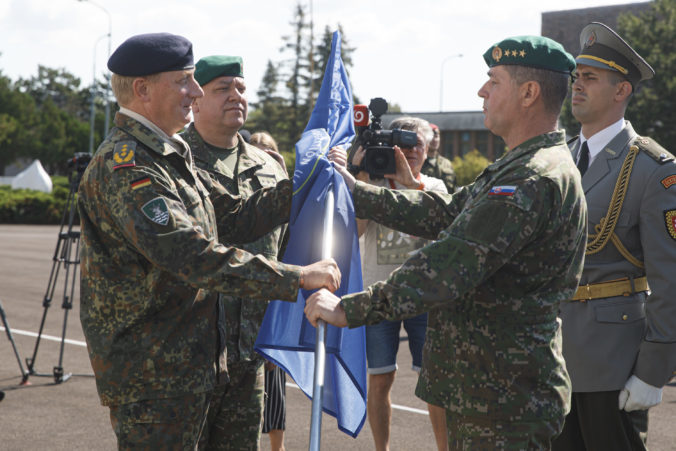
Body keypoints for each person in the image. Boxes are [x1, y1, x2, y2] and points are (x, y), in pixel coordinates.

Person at [309, 35, 586, 449]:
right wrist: (357, 190)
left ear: (529, 93)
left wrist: (349, 308)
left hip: (504, 398)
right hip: (491, 387)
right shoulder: (517, 166)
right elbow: (443, 211)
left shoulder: (531, 177)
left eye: (493, 81)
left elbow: (446, 267)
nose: (481, 91)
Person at [77, 34, 340, 449]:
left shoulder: (165, 155)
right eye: (184, 81)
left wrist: (308, 183)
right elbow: (190, 255)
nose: (195, 91)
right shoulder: (126, 165)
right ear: (143, 89)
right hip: (157, 374)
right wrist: (296, 277)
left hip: (197, 364)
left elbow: (234, 217)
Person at [552, 22, 676, 451]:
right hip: (555, 357)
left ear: (622, 90)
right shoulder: (560, 160)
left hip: (613, 362)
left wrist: (653, 370)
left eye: (590, 78)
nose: (577, 87)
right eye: (575, 78)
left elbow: (670, 277)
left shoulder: (652, 169)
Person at [179, 55, 291, 450]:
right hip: (188, 358)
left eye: (241, 88)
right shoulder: (174, 162)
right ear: (194, 100)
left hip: (251, 354)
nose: (235, 96)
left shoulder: (271, 168)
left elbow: (286, 247)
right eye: (222, 88)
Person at [343, 116, 449, 451]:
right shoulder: (372, 185)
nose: (411, 150)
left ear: (428, 148)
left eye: (417, 143)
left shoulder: (434, 187)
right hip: (378, 293)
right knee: (380, 377)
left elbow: (443, 229)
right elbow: (355, 233)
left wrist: (409, 185)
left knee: (432, 381)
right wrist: (361, 178)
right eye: (403, 144)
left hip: (423, 297)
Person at [250, 131, 289, 451]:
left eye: (270, 152)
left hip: (272, 303)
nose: (264, 157)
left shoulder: (285, 198)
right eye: (257, 151)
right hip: (240, 299)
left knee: (274, 389)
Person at [421, 123, 456, 193]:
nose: (434, 140)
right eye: (431, 137)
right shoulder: (418, 162)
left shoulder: (447, 163)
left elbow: (453, 188)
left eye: (436, 136)